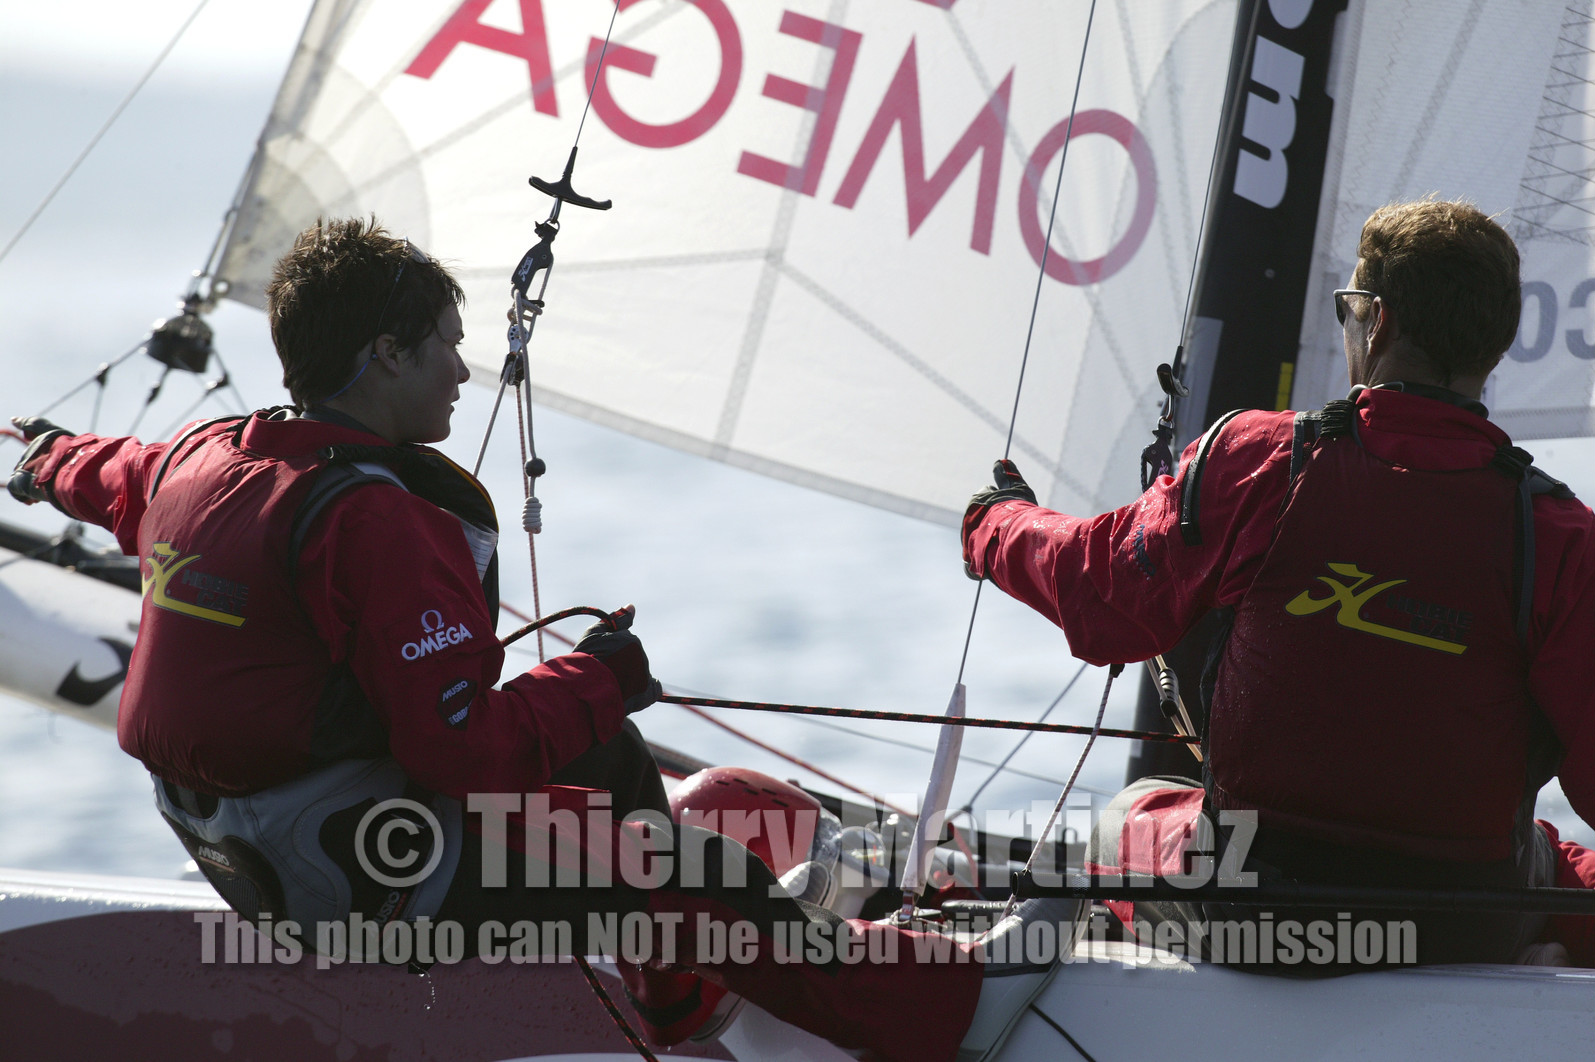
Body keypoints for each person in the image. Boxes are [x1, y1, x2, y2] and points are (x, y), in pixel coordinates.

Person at [8, 217, 1071, 1062]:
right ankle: (946, 1015)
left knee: (601, 763)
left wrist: (39, 454)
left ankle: (675, 985)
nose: (463, 372)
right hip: (361, 872)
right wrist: (605, 676)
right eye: (445, 348)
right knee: (693, 865)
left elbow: (109, 473)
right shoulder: (375, 520)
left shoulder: (204, 460)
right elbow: (457, 751)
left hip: (248, 847)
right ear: (385, 354)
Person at [961, 198, 1595, 971]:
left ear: (1378, 320)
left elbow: (1098, 592)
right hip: (1460, 926)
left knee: (1126, 819)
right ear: (1497, 343)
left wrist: (995, 524)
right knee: (1560, 865)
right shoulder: (1563, 536)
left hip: (1253, 912)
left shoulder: (1258, 459)